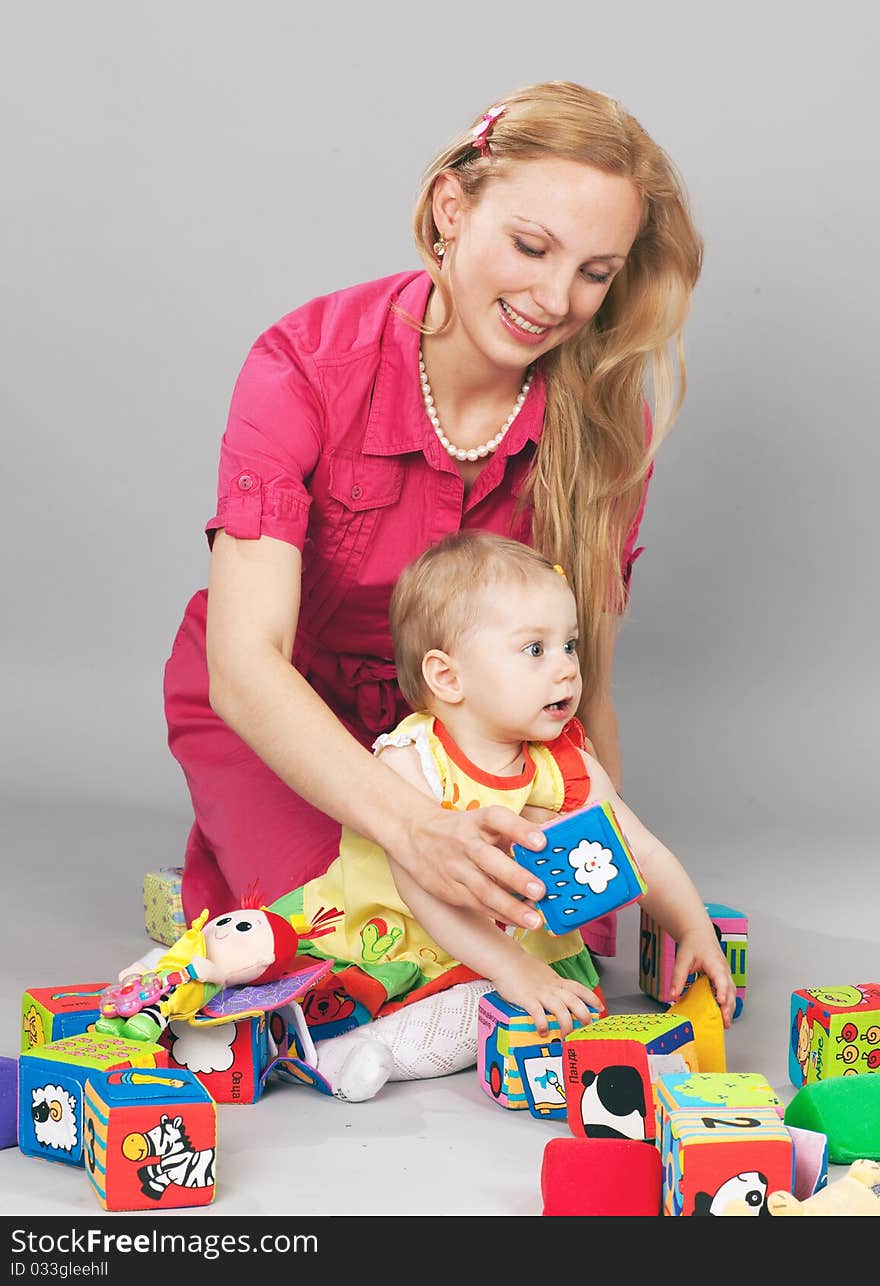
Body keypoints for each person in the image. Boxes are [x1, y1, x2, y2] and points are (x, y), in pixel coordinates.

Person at [163, 80, 703, 963]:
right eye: (531, 246)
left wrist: (606, 866)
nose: (555, 298)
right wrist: (416, 827)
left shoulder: (606, 421)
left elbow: (584, 679)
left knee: (541, 944)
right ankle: (236, 861)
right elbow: (243, 663)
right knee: (354, 951)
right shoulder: (299, 366)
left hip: (477, 732)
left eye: (594, 274)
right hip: (290, 708)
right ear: (452, 208)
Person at [267, 532, 735, 1103]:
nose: (566, 669)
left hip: (497, 959)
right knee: (275, 957)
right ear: (448, 677)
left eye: (570, 645)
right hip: (402, 935)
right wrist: (516, 970)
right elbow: (428, 896)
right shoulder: (411, 760)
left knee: (488, 1014)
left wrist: (691, 928)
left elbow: (641, 852)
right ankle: (237, 1003)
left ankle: (364, 1053)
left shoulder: (566, 765)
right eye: (535, 650)